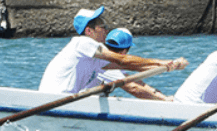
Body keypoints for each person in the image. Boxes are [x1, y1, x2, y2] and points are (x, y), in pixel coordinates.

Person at [39, 7, 187, 94]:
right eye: (102, 26)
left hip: (66, 101)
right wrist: (163, 62)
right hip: (53, 100)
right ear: (89, 31)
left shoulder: (95, 57)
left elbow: (129, 66)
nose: (107, 30)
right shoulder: (81, 42)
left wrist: (168, 67)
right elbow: (122, 60)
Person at [88, 28, 172, 101]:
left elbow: (135, 81)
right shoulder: (105, 64)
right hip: (85, 103)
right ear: (124, 51)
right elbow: (133, 88)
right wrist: (165, 100)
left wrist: (162, 96)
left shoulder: (105, 60)